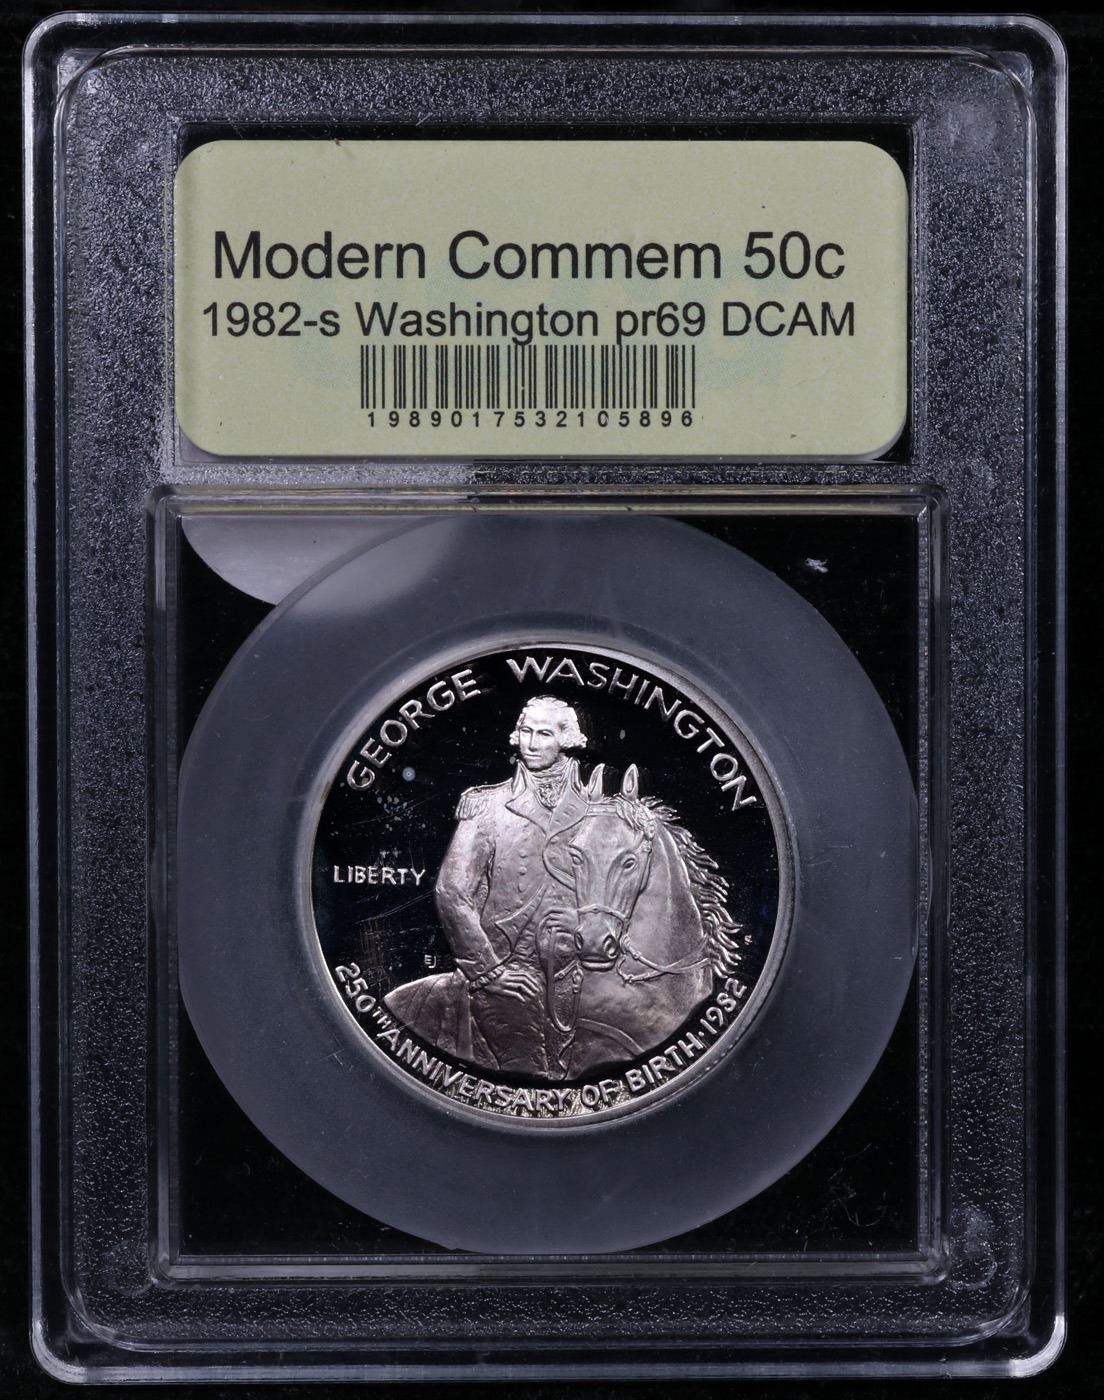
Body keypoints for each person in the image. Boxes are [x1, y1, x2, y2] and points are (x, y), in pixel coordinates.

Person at [385, 696, 592, 1077]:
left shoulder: (597, 811)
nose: (530, 743)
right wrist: (490, 972)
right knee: (527, 1073)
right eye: (525, 731)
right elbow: (453, 893)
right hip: (508, 975)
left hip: (583, 973)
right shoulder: (486, 807)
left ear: (566, 741)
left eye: (543, 734)